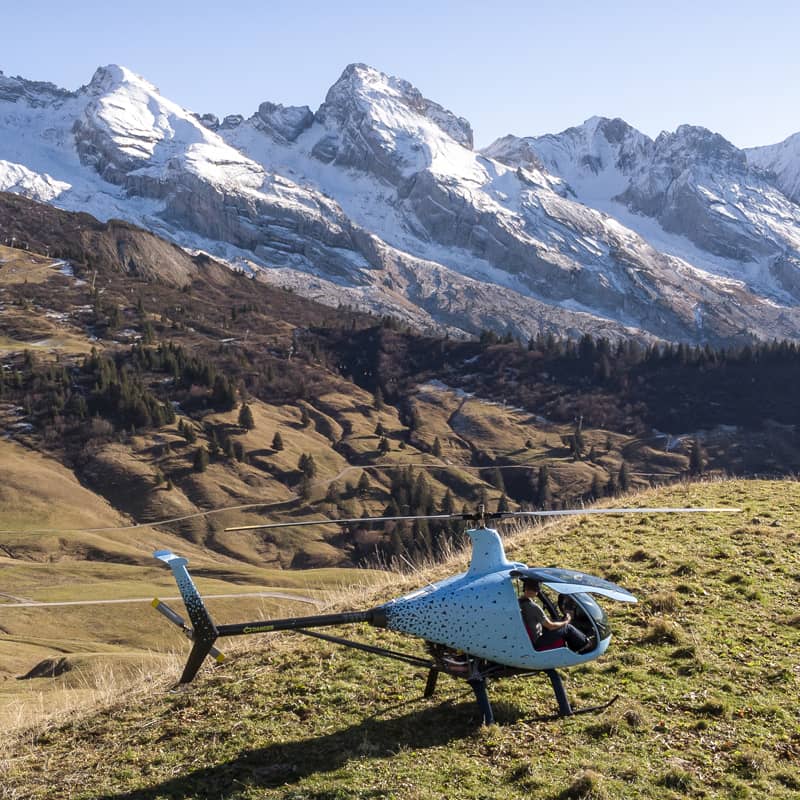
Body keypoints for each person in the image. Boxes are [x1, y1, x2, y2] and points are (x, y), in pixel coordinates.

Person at [519, 579, 593, 653]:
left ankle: (571, 649)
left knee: (558, 624)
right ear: (537, 591)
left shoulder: (519, 602)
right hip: (537, 641)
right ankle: (586, 646)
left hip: (528, 638)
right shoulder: (533, 607)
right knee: (567, 628)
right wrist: (566, 621)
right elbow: (550, 626)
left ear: (524, 588)